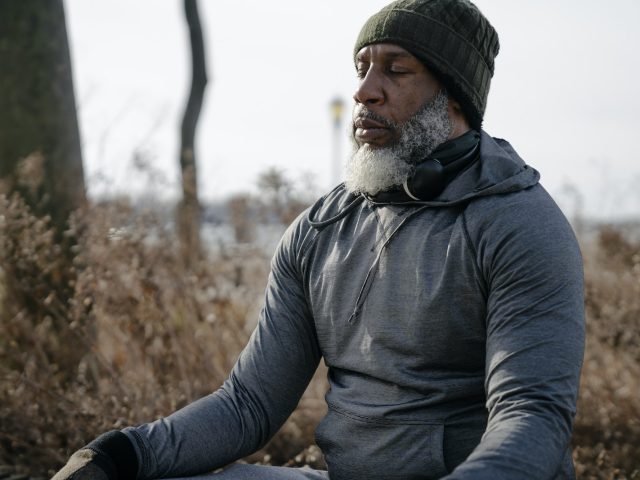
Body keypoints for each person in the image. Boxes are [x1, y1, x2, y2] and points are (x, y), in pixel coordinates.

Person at [53, 0, 585, 479]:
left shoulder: (520, 226)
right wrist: (120, 454)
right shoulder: (319, 229)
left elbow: (532, 417)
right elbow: (248, 405)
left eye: (396, 70)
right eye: (362, 68)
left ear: (454, 100)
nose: (364, 91)